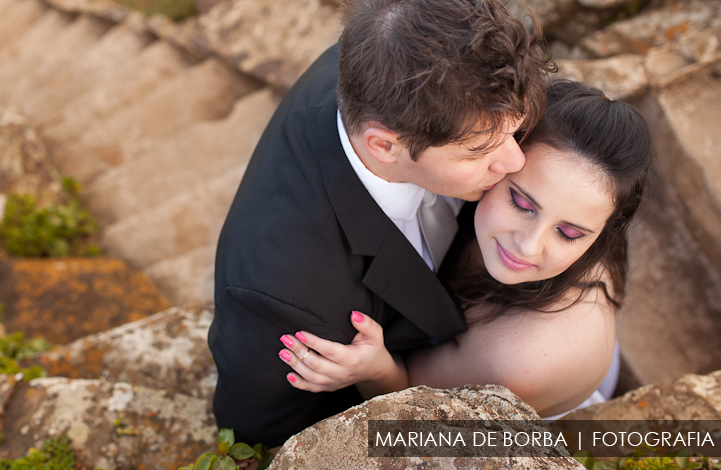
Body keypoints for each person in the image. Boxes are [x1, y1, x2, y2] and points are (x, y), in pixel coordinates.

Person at [209, 0, 555, 447]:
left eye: (514, 130)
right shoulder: (288, 299)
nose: (516, 160)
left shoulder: (411, 57)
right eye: (480, 151)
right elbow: (256, 433)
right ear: (384, 146)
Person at [278, 80, 652, 419]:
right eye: (522, 204)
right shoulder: (574, 197)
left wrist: (376, 369)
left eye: (569, 233)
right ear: (500, 159)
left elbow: (416, 409)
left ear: (606, 231)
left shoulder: (518, 362)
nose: (528, 244)